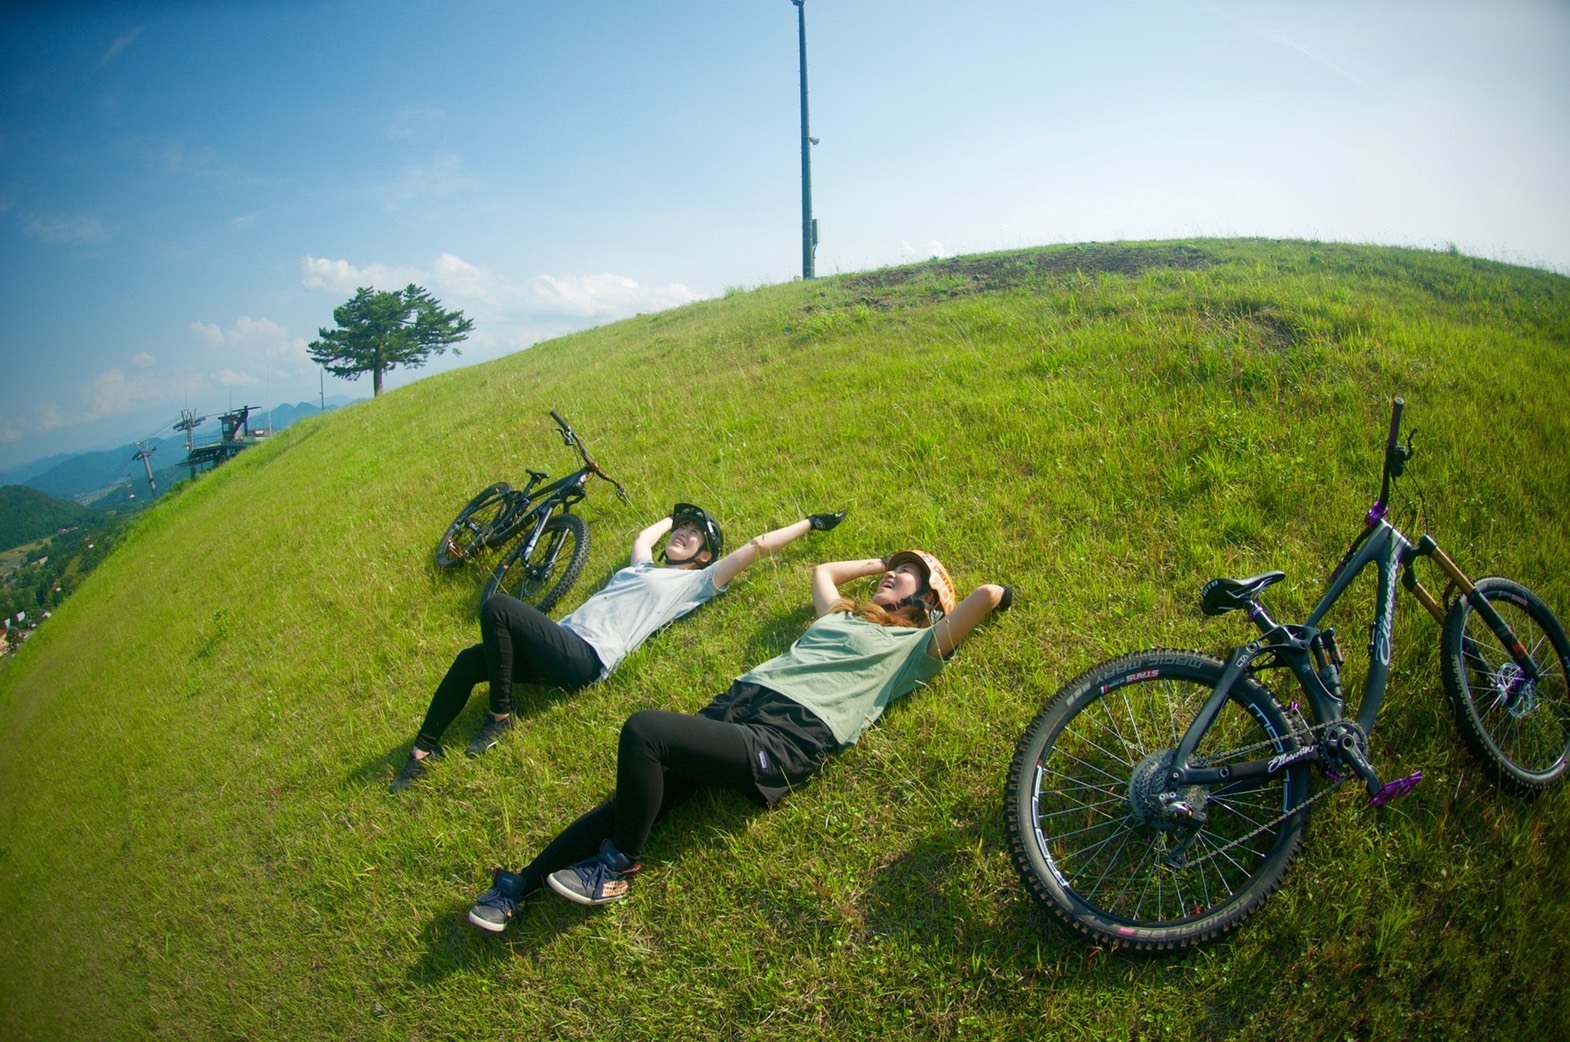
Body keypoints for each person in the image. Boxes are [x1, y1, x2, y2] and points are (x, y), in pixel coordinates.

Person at [465, 548, 1013, 930]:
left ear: (929, 601)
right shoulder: (843, 617)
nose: (892, 576)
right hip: (740, 703)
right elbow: (824, 571)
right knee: (635, 797)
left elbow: (986, 595)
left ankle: (618, 867)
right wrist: (881, 563)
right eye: (894, 570)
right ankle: (522, 886)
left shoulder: (914, 652)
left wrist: (999, 596)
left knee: (644, 731)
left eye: (907, 574)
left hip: (788, 734)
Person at [390, 503, 848, 791]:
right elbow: (642, 539)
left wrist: (811, 523)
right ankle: (421, 754)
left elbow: (757, 545)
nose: (682, 535)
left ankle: (500, 716)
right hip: (558, 643)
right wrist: (675, 515)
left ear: (706, 556)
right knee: (471, 659)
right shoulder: (639, 569)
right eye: (681, 529)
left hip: (586, 657)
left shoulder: (695, 584)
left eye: (694, 535)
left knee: (498, 608)